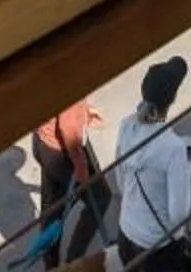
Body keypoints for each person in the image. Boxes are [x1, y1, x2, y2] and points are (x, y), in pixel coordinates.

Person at [113, 56, 191, 270]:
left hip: (126, 235)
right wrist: (186, 168)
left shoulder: (126, 126)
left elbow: (121, 181)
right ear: (172, 99)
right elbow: (178, 215)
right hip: (156, 249)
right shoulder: (174, 148)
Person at [27, 99, 109, 268]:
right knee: (100, 197)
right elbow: (68, 128)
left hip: (44, 141)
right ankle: (73, 260)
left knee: (52, 211)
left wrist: (83, 113)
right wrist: (81, 168)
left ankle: (51, 266)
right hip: (62, 154)